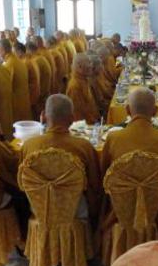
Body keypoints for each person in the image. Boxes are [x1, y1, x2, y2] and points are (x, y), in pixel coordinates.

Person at [101, 88, 158, 234]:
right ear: (155, 111)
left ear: (127, 110)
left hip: (118, 213)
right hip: (156, 214)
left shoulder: (113, 139)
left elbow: (103, 178)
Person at [21, 94, 102, 223]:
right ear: (72, 119)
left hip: (39, 209)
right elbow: (95, 185)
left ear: (44, 116)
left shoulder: (29, 146)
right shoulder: (83, 147)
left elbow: (22, 183)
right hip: (74, 212)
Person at [0, 38, 32, 123]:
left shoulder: (9, 64)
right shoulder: (17, 60)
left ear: (3, 50)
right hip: (24, 100)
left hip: (16, 103)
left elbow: (6, 88)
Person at [66, 53, 100, 124]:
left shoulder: (84, 80)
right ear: (80, 67)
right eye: (88, 63)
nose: (91, 66)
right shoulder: (74, 86)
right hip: (85, 126)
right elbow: (78, 115)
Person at [26, 41, 52, 118]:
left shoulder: (36, 60)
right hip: (46, 89)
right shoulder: (41, 57)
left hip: (41, 93)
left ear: (29, 50)